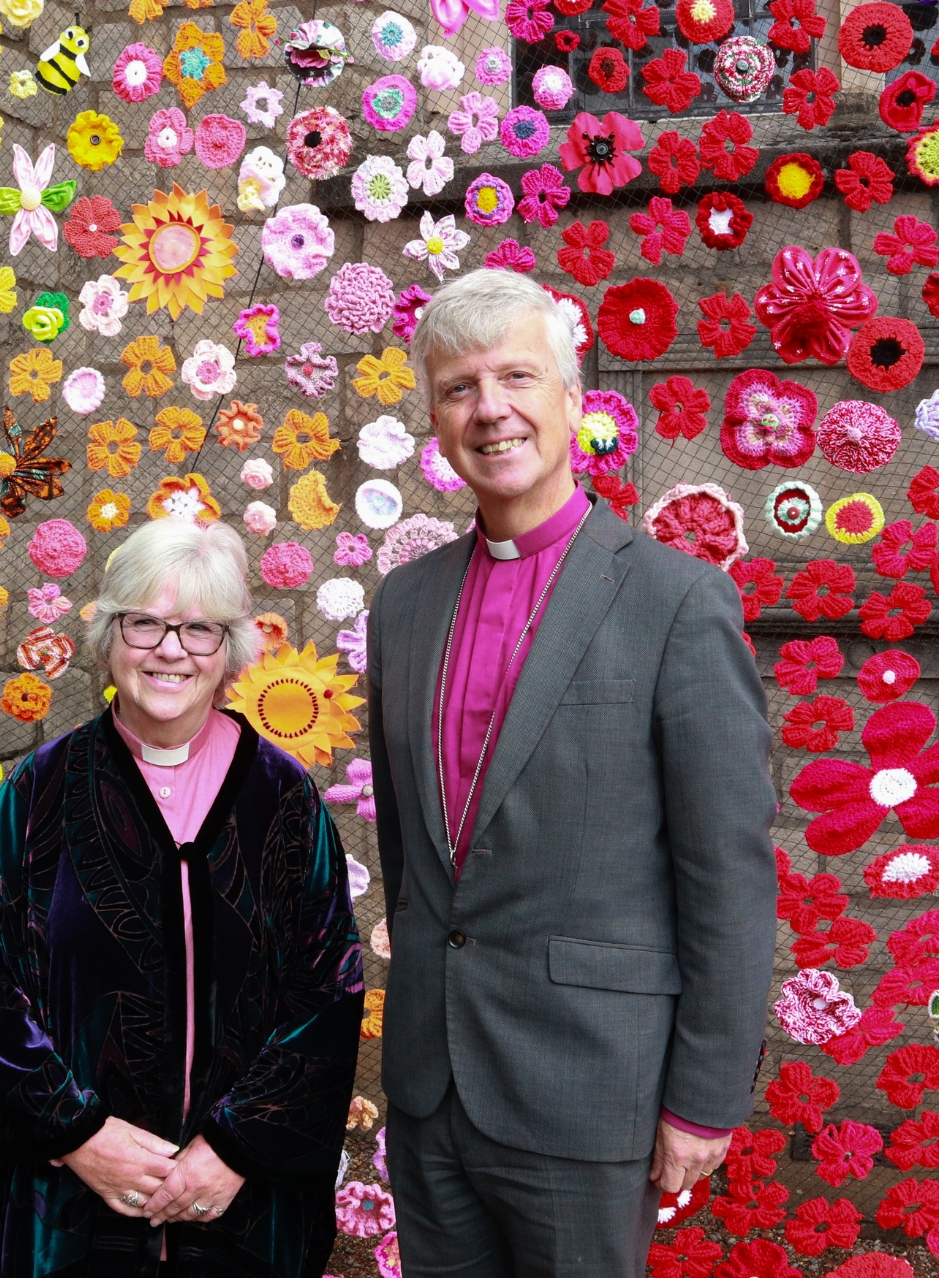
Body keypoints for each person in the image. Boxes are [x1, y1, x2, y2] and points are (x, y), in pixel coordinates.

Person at [368, 268, 776, 1276]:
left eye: (516, 376)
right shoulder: (404, 605)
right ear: (434, 413)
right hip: (432, 1089)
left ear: (572, 397)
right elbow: (410, 859)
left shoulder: (675, 603)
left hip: (589, 1092)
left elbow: (726, 870)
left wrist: (706, 1097)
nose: (490, 409)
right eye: (460, 387)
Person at [0, 517, 364, 1278]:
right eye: (145, 624)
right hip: (71, 1208)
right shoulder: (38, 795)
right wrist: (78, 1135)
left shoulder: (284, 801)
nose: (170, 650)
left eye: (200, 629)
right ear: (110, 637)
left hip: (241, 1211)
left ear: (229, 650)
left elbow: (327, 991)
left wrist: (235, 1147)